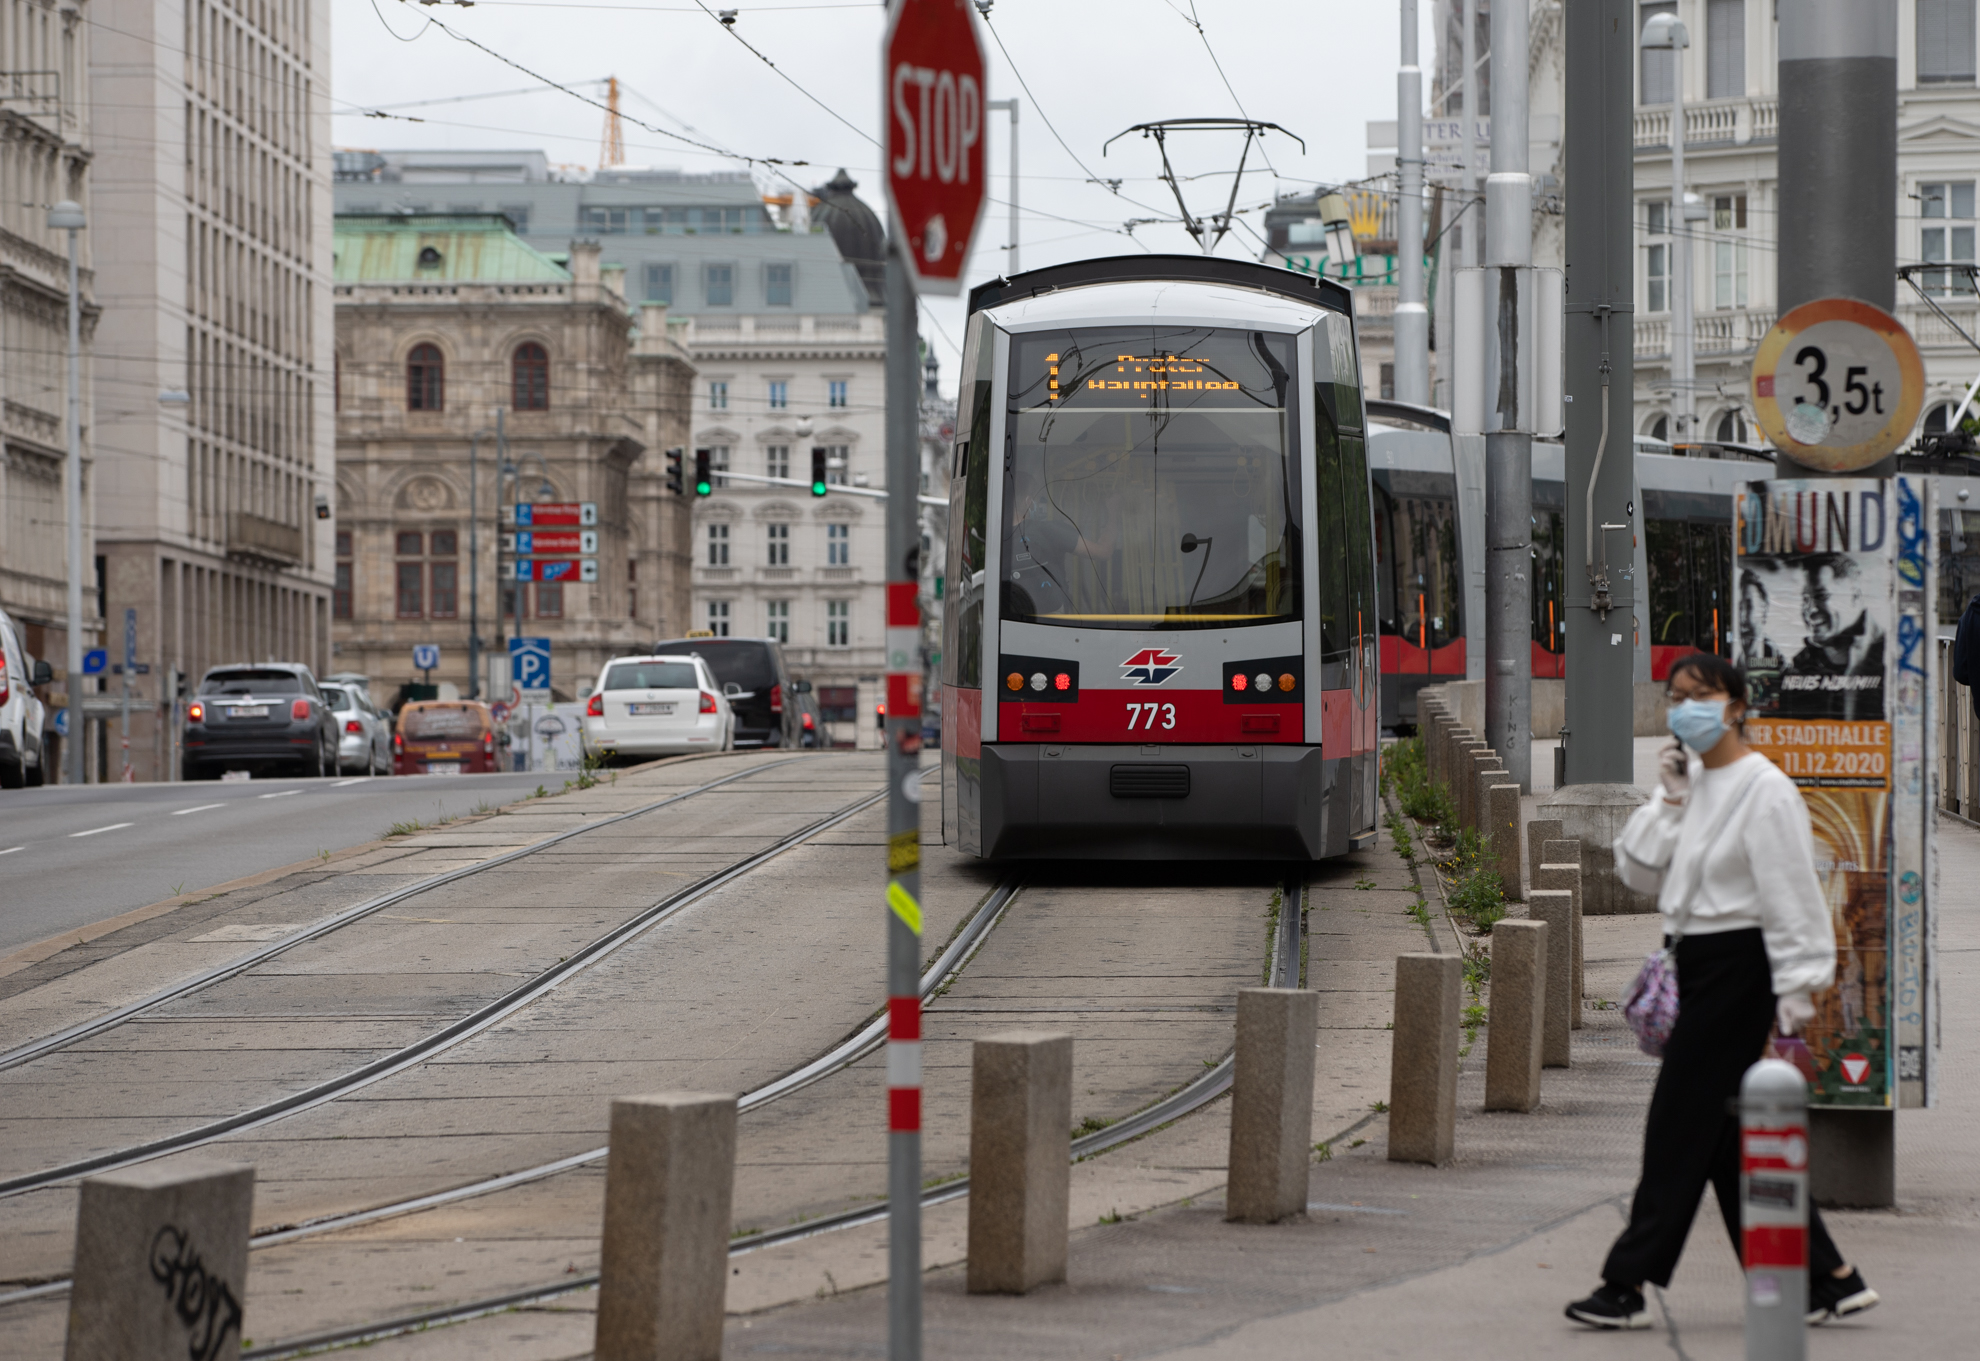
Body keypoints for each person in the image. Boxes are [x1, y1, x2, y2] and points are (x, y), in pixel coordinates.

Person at [1565, 653, 1879, 1330]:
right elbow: (1639, 871)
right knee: (1724, 1137)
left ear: (1736, 703)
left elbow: (1793, 895)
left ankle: (1625, 1282)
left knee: (1676, 1125)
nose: (1685, 708)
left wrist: (1797, 991)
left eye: (1699, 694)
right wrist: (1670, 802)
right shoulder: (1693, 781)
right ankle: (1829, 1278)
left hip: (1743, 968)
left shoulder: (1764, 789)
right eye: (1675, 696)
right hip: (1693, 966)